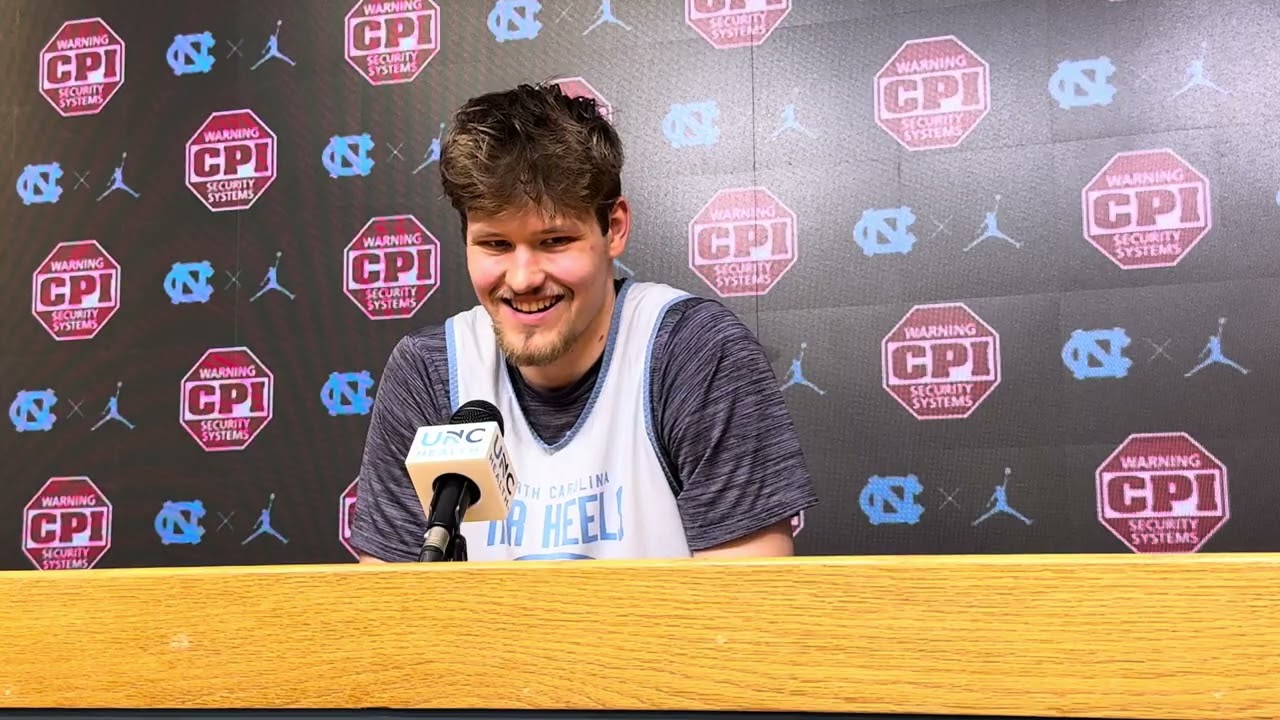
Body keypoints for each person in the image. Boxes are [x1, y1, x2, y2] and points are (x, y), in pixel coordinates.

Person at [350, 82, 818, 563]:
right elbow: (390, 612)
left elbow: (742, 612)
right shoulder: (430, 372)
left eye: (554, 241)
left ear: (613, 228)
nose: (524, 277)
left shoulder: (693, 352)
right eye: (495, 245)